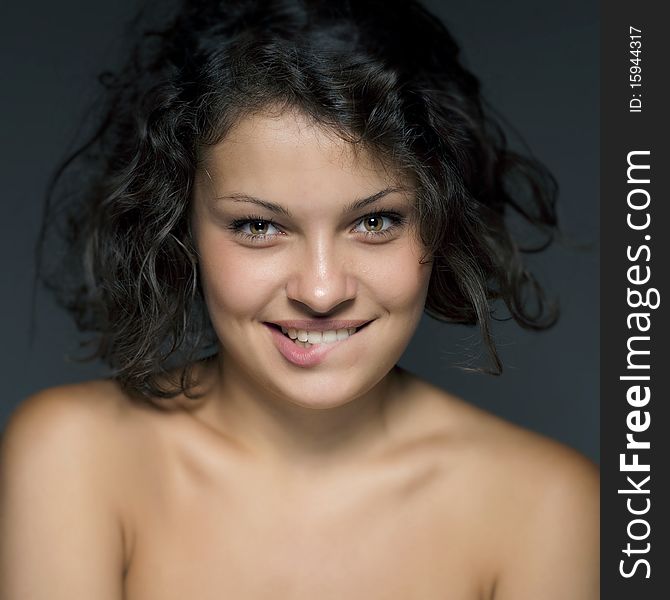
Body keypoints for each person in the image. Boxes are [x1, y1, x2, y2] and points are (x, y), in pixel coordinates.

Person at [0, 1, 598, 598]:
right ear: (180, 227)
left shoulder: (544, 506)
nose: (319, 291)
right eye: (259, 227)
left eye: (376, 221)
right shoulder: (74, 456)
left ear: (440, 222)